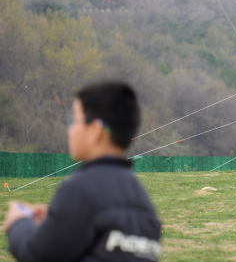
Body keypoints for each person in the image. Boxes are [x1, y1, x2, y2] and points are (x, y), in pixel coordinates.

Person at [3, 81, 162, 261]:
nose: (70, 130)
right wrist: (58, 221)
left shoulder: (81, 188)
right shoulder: (143, 202)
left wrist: (19, 222)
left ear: (96, 130)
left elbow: (35, 255)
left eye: (74, 120)